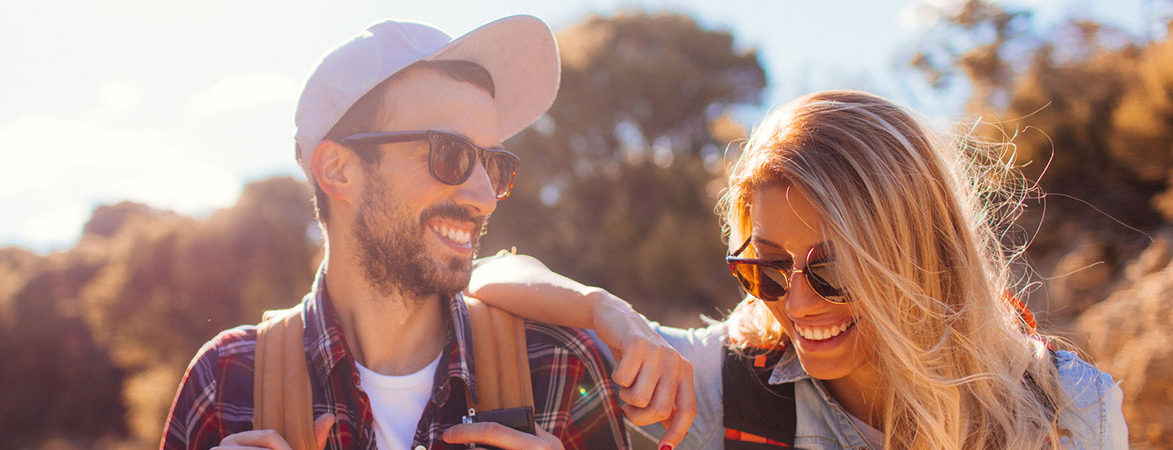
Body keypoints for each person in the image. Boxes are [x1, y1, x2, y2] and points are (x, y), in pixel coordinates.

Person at [467, 91, 1130, 449]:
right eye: (767, 269)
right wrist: (606, 312)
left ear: (917, 256)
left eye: (832, 270)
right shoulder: (728, 385)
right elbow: (487, 276)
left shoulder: (1073, 411)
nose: (800, 303)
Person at [159, 15, 647, 450]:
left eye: (495, 164)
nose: (484, 194)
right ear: (339, 171)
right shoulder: (224, 381)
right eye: (450, 154)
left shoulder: (560, 368)